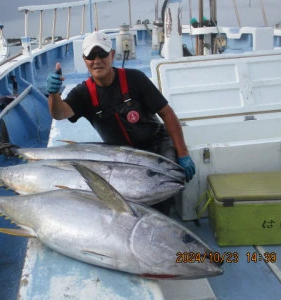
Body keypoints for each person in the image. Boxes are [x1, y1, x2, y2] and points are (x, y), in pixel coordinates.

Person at [46, 31, 195, 213]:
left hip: (156, 145)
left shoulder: (135, 79)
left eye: (102, 54)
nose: (97, 60)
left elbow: (167, 114)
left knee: (164, 191)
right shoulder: (83, 93)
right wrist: (53, 94)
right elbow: (59, 113)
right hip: (119, 157)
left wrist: (183, 153)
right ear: (85, 60)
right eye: (91, 56)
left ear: (113, 55)